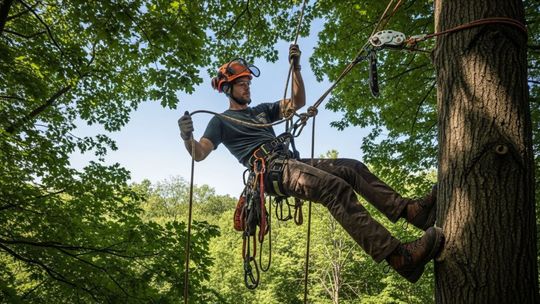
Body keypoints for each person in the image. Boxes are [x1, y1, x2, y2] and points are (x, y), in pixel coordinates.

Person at [178, 44, 444, 283]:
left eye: (248, 82)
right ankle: (398, 257)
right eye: (241, 83)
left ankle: (411, 212)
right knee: (333, 188)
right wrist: (187, 136)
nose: (247, 87)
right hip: (269, 171)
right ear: (227, 88)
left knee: (351, 167)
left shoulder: (262, 110)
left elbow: (297, 102)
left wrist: (296, 68)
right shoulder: (221, 121)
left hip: (288, 162)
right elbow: (199, 153)